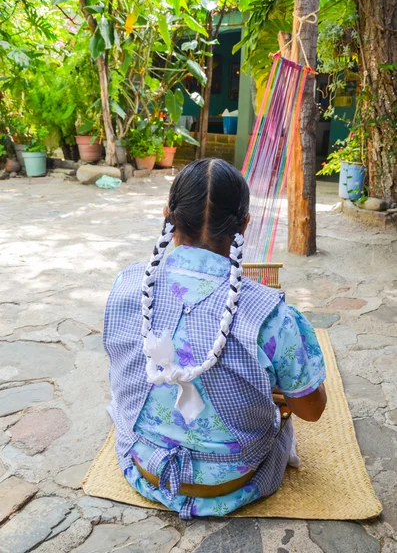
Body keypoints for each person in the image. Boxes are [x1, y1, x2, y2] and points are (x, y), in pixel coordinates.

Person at [104, 158, 327, 520]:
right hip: (234, 480)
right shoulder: (269, 313)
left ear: (168, 216)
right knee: (279, 418)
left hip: (146, 466)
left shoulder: (129, 285)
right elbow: (312, 410)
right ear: (244, 224)